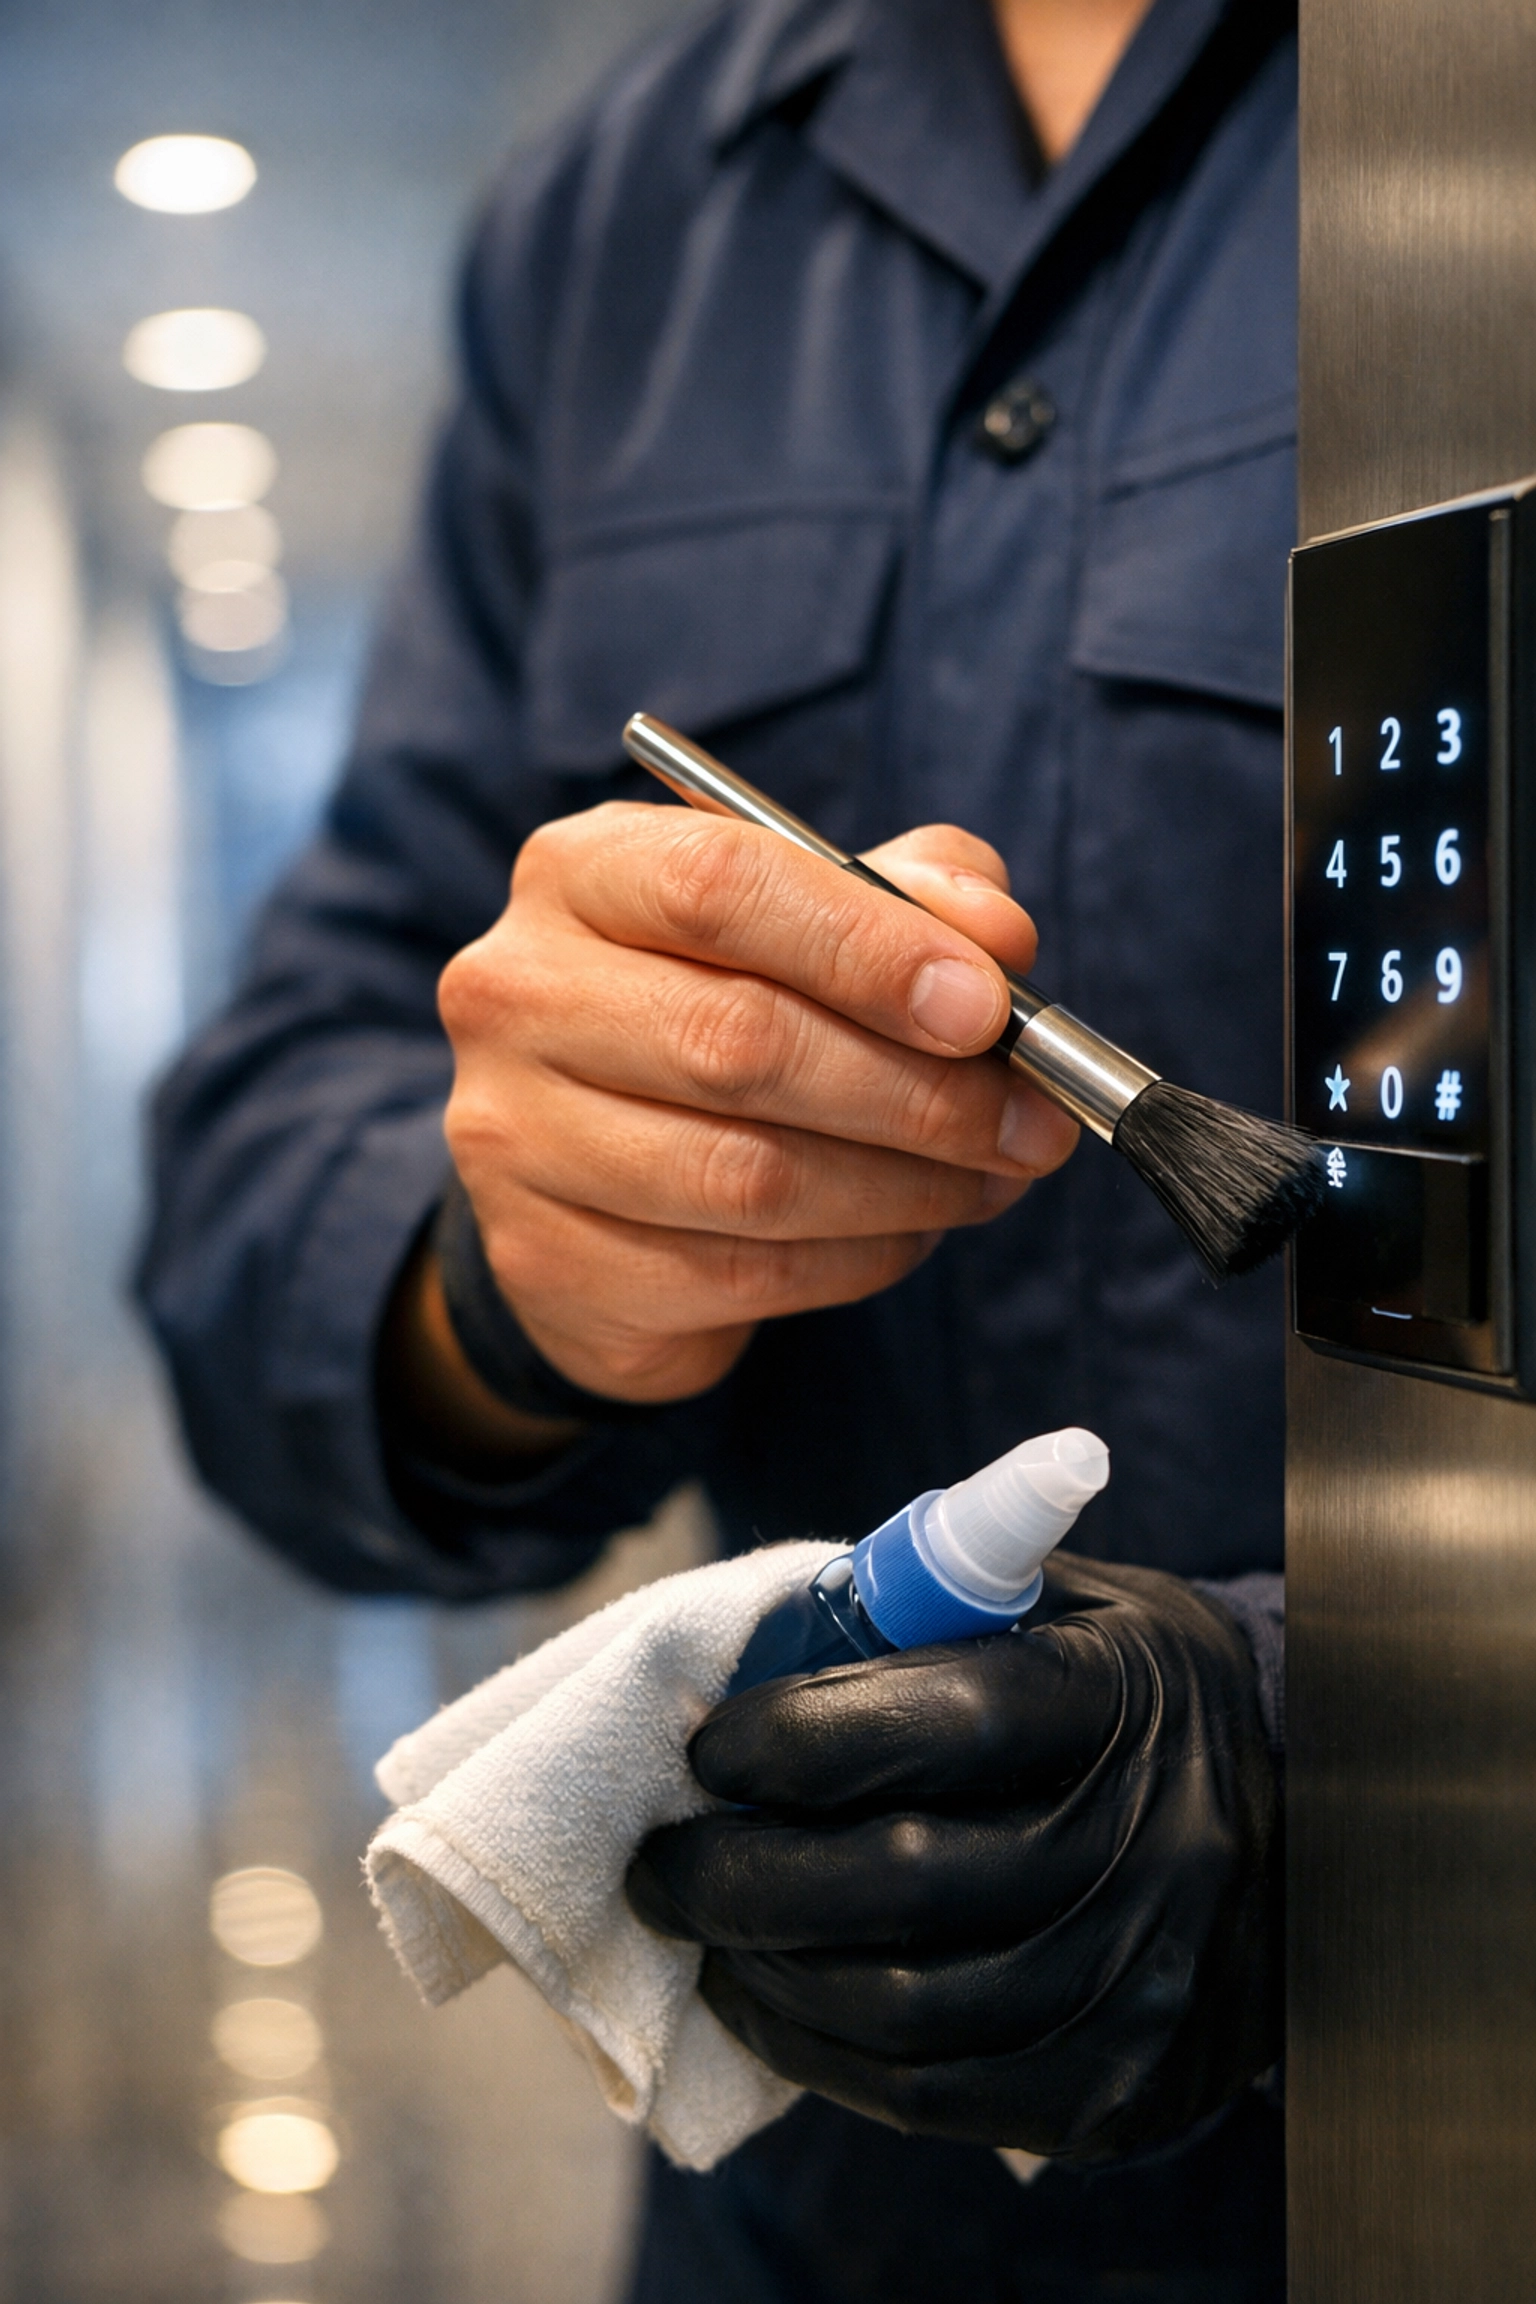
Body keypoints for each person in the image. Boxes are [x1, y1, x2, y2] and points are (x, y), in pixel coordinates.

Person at [139, 0, 1296, 2294]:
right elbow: (254, 1186)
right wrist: (508, 1282)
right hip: (810, 2209)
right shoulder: (623, 215)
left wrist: (1379, 1757)